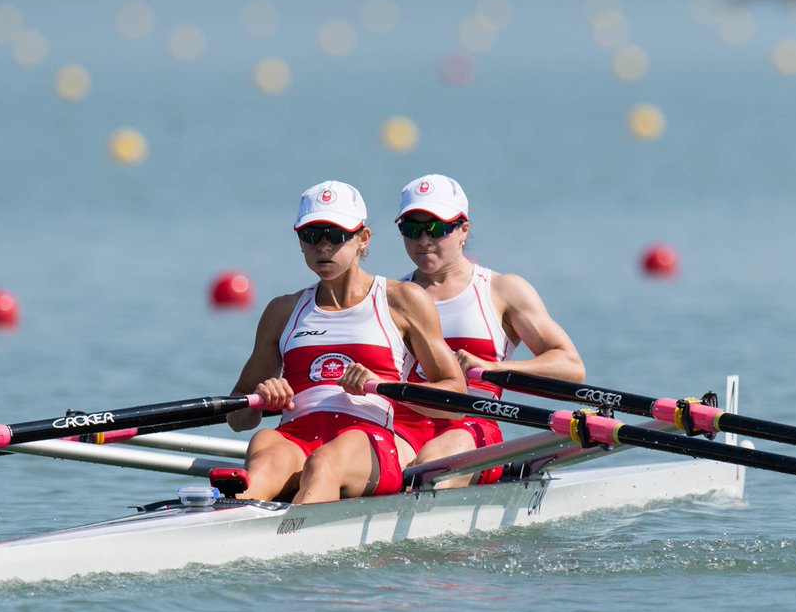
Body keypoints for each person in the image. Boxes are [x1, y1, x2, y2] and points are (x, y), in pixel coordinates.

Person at [226, 179, 465, 504]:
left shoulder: (402, 300)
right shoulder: (282, 311)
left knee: (324, 463)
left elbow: (455, 396)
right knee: (265, 451)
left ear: (363, 238)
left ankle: (290, 539)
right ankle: (227, 524)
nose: (323, 246)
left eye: (336, 235)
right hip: (294, 436)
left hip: (368, 439)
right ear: (299, 240)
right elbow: (237, 417)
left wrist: (381, 386)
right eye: (311, 236)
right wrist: (260, 397)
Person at [390, 174, 585, 486]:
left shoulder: (501, 290)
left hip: (472, 424)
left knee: (429, 472)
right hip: (403, 422)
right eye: (411, 229)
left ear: (463, 229)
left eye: (437, 228)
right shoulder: (389, 296)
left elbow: (571, 367)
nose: (423, 240)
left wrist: (495, 367)